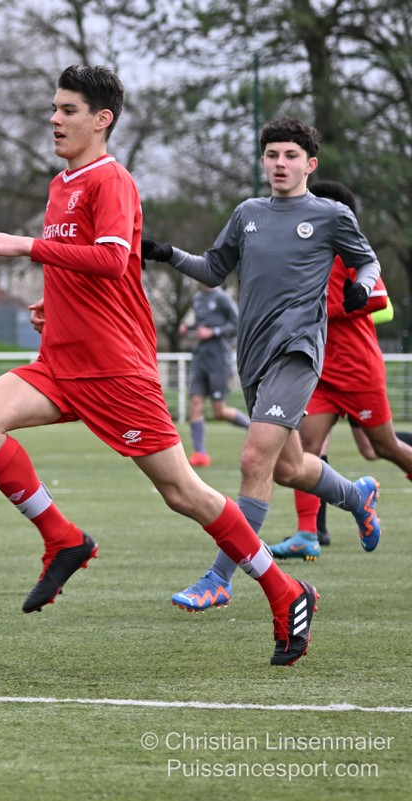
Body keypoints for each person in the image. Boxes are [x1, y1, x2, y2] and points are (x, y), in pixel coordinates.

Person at [0, 66, 316, 666]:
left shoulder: (112, 180)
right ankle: (63, 539)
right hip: (61, 360)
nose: (54, 119)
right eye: (54, 108)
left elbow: (109, 259)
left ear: (102, 120)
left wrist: (24, 246)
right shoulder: (60, 184)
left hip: (115, 370)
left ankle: (285, 591)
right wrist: (53, 302)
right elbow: (85, 267)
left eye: (67, 110)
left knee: (184, 493)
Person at [142, 119, 383, 614]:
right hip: (253, 356)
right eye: (272, 155)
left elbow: (368, 261)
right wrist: (167, 254)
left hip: (298, 353)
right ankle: (356, 496)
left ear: (309, 164)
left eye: (290, 155)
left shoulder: (331, 215)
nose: (280, 163)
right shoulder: (247, 213)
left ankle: (219, 578)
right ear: (262, 161)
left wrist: (361, 286)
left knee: (254, 461)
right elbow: (213, 269)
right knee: (290, 468)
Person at [269, 180, 412, 560]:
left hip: (358, 371)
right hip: (318, 371)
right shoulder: (301, 255)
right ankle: (307, 534)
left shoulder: (350, 252)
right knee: (305, 449)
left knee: (383, 447)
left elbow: (379, 299)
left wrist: (330, 309)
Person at [180, 285, 251, 467]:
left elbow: (237, 323)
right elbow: (201, 325)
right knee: (195, 404)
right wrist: (189, 328)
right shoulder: (197, 298)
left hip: (218, 360)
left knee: (219, 410)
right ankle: (200, 453)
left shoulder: (222, 297)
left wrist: (214, 332)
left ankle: (253, 429)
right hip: (200, 359)